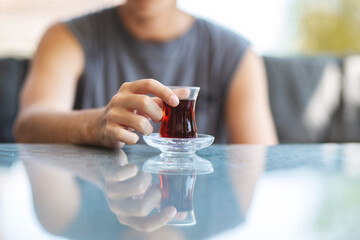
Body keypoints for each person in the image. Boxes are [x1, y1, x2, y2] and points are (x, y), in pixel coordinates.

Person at [13, 0, 278, 147]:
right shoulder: (66, 38)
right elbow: (28, 125)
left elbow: (260, 164)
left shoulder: (237, 56)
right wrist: (95, 125)